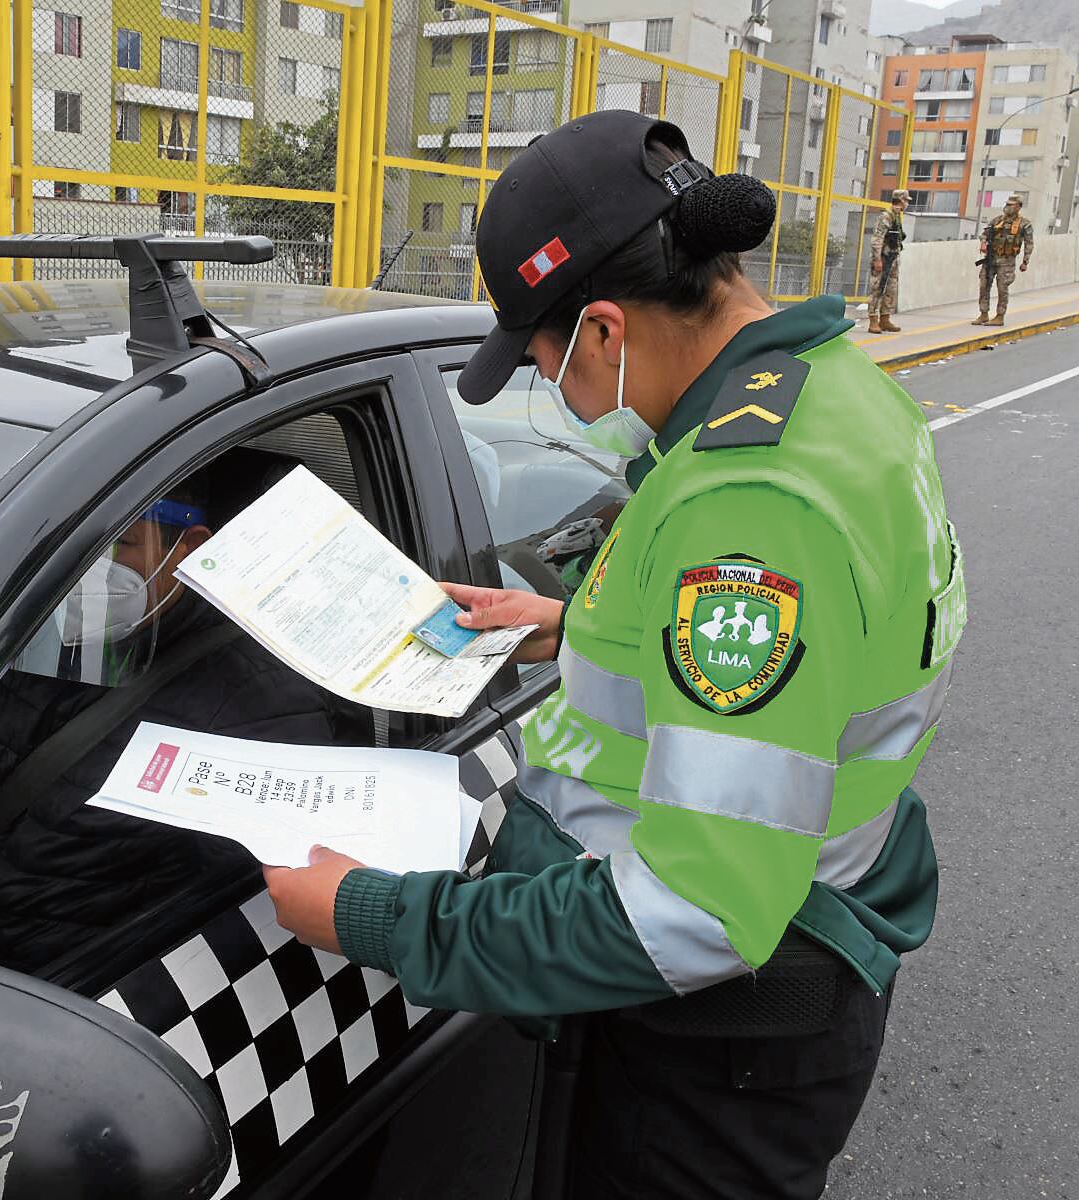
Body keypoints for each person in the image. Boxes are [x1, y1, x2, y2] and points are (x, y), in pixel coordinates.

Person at [264, 111, 961, 1200]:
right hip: (797, 949)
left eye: (538, 359)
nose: (549, 384)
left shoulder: (749, 504)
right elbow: (823, 644)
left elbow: (696, 911)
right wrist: (566, 622)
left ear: (600, 329)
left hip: (722, 1037)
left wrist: (372, 914)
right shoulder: (836, 394)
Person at [0, 461, 346, 973]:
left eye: (119, 547)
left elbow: (250, 915)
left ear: (187, 550)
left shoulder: (260, 705)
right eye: (67, 547)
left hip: (74, 995)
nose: (85, 572)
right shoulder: (20, 636)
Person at [975, 193, 1034, 327]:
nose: (1007, 207)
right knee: (984, 285)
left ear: (1018, 207)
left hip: (1007, 261)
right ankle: (983, 314)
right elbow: (984, 234)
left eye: (1011, 205)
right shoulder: (997, 221)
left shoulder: (1024, 224)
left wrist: (1025, 262)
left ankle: (1000, 316)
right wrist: (983, 243)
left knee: (1002, 288)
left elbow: (1029, 243)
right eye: (1007, 204)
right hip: (991, 259)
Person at [868, 188, 908, 334]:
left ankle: (885, 319)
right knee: (877, 288)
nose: (907, 204)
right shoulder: (886, 216)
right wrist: (877, 259)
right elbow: (877, 239)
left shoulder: (896, 216)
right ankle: (873, 320)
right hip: (883, 258)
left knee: (891, 288)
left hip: (893, 258)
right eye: (906, 201)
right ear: (901, 200)